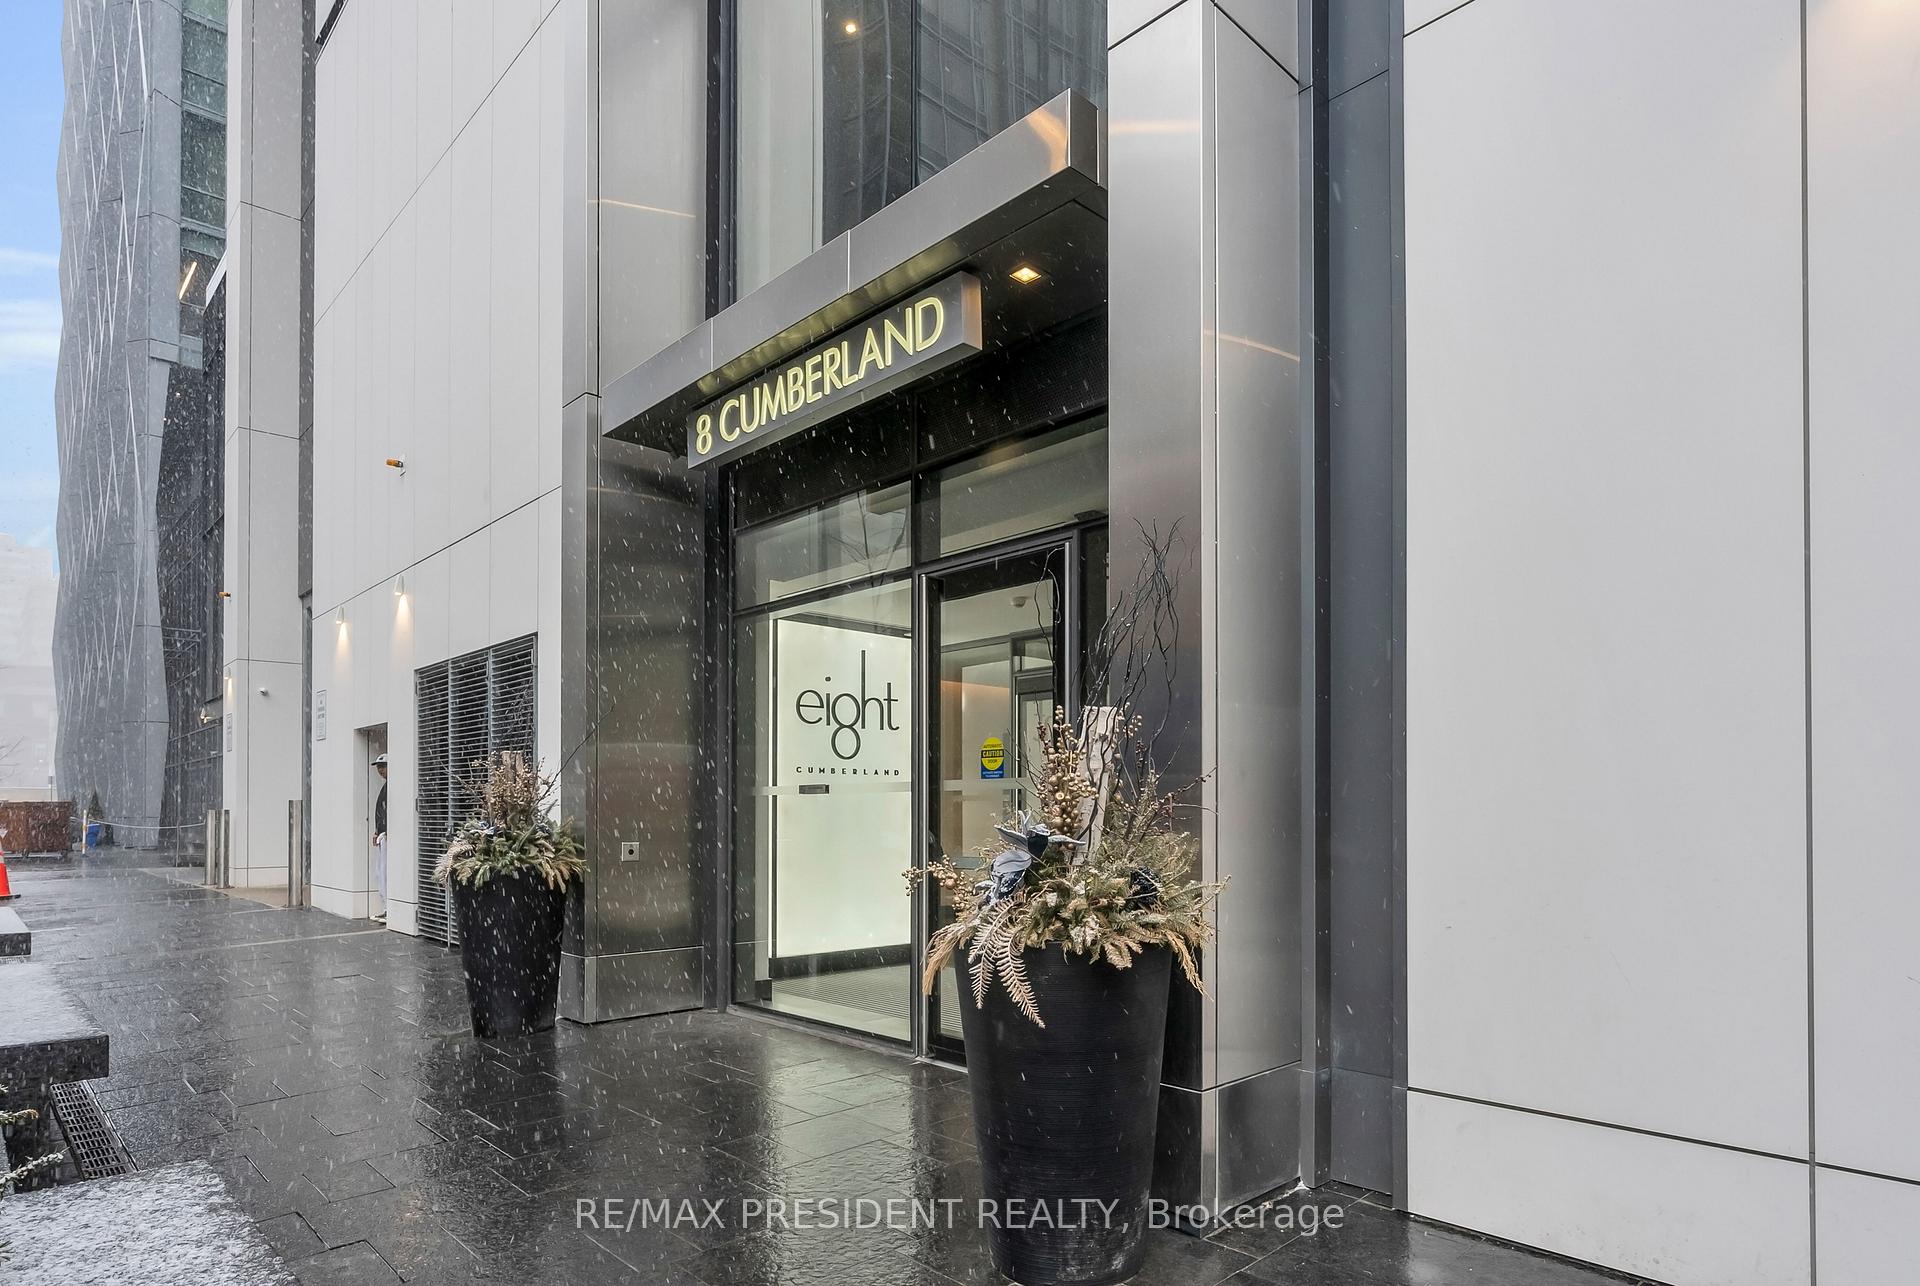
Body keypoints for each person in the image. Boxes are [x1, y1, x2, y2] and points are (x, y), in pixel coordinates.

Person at [371, 753, 388, 924]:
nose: (380, 770)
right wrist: (377, 831)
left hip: (387, 836)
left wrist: (386, 831)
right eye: (378, 767)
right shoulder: (386, 787)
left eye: (383, 766)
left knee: (384, 872)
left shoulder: (391, 786)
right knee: (380, 872)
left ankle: (388, 909)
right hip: (383, 835)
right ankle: (386, 908)